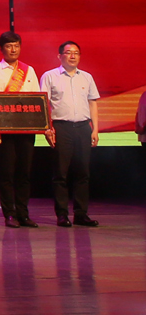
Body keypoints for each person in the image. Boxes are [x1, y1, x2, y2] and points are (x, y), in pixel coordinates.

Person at [40, 42, 100, 227]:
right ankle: (62, 214)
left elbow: (92, 103)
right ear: (60, 56)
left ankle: (81, 214)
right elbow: (43, 104)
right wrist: (47, 128)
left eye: (76, 53)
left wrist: (95, 129)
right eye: (68, 53)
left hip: (83, 127)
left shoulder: (87, 77)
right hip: (61, 127)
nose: (73, 56)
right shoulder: (50, 76)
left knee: (83, 172)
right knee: (61, 173)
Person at [0, 31, 41, 228]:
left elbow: (37, 98)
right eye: (9, 46)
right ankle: (9, 214)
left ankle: (23, 214)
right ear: (2, 49)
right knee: (7, 173)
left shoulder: (29, 70)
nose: (13, 49)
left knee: (24, 173)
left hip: (26, 128)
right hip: (5, 129)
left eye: (16, 46)